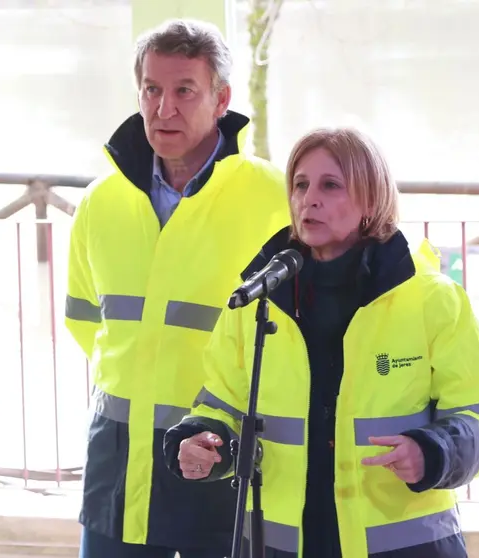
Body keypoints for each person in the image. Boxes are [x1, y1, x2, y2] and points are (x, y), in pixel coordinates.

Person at [163, 126, 479, 558]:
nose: (309, 199)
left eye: (330, 185)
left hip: (406, 549)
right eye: (300, 184)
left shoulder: (432, 300)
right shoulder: (257, 300)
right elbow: (220, 407)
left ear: (371, 199)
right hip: (280, 546)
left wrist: (435, 452)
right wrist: (204, 443)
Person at [63, 18, 292, 558]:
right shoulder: (100, 202)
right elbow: (83, 320)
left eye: (185, 90)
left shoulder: (275, 197)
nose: (164, 109)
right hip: (119, 468)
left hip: (224, 464)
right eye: (152, 90)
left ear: (221, 99)